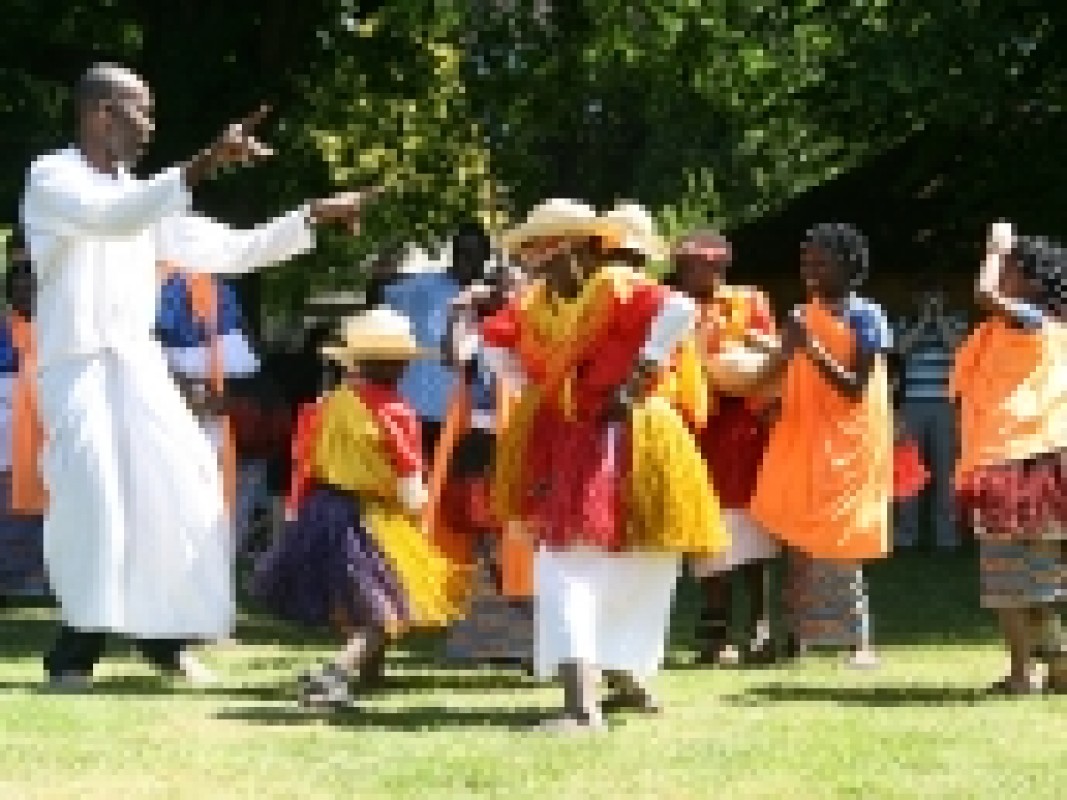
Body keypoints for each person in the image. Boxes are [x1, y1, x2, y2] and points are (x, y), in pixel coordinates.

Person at [20, 63, 375, 689]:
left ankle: (163, 637)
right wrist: (206, 160)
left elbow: (229, 249)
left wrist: (311, 217)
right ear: (102, 113)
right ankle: (73, 651)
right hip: (77, 366)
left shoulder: (144, 195)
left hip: (136, 364)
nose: (150, 125)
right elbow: (112, 216)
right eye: (141, 112)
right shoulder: (52, 178)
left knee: (184, 485)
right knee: (95, 500)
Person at [480, 199, 728, 732]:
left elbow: (680, 310)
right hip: (574, 435)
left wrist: (637, 379)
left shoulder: (616, 283)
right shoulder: (536, 303)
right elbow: (496, 343)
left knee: (624, 561)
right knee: (571, 561)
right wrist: (535, 394)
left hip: (634, 432)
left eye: (541, 250)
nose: (532, 262)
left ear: (575, 248)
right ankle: (611, 684)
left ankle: (589, 700)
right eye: (529, 253)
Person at [250, 308, 470, 708]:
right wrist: (416, 506)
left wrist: (296, 510)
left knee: (365, 599)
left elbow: (305, 460)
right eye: (396, 358)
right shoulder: (395, 410)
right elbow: (407, 466)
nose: (402, 365)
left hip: (323, 508)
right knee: (388, 609)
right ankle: (336, 674)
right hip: (370, 514)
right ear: (381, 364)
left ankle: (370, 674)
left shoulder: (325, 405)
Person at [747, 223, 893, 669]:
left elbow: (854, 387)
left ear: (849, 265)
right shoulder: (800, 314)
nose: (810, 268)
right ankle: (798, 639)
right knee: (798, 534)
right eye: (806, 260)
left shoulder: (867, 315)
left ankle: (860, 644)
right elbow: (785, 373)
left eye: (820, 260)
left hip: (849, 442)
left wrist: (809, 348)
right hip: (802, 436)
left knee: (840, 540)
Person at [952, 225, 1066, 694]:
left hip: (1023, 460)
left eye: (1011, 269)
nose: (1001, 275)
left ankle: (1030, 672)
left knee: (1019, 574)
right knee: (1028, 573)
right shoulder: (1017, 327)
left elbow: (982, 291)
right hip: (1019, 457)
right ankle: (1051, 669)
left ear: (1034, 283)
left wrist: (995, 248)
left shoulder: (1032, 321)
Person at [664, 230, 780, 665]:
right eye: (686, 266)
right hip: (695, 429)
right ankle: (715, 632)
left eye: (701, 266)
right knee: (707, 530)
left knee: (752, 532)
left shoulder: (750, 301)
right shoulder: (672, 306)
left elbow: (773, 363)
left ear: (719, 267)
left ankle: (760, 627)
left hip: (744, 428)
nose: (691, 274)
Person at [383, 225, 489, 461]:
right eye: (462, 252)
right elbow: (380, 295)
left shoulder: (490, 299)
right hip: (417, 411)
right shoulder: (423, 286)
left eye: (474, 254)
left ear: (485, 259)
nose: (467, 260)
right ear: (453, 253)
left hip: (464, 420)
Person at [894, 287, 969, 550]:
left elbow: (958, 347)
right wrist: (925, 321)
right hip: (911, 407)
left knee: (946, 473)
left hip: (945, 407)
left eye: (936, 297)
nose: (931, 301)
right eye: (926, 297)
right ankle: (906, 536)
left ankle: (946, 537)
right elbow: (901, 350)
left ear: (945, 299)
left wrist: (938, 321)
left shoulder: (957, 321)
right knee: (908, 472)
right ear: (917, 299)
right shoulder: (905, 323)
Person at [0, 233, 47, 600]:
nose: (25, 291)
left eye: (32, 284)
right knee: (10, 506)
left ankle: (43, 574)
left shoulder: (59, 328)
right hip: (7, 432)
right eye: (19, 284)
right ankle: (16, 577)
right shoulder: (2, 329)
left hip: (49, 429)